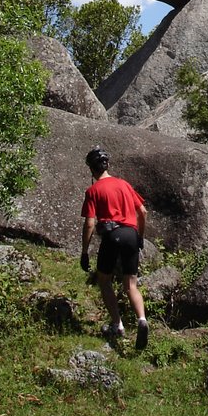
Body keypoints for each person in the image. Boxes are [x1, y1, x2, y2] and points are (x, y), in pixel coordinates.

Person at [80, 146, 149, 349]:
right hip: (131, 234)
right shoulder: (124, 184)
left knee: (104, 280)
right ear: (107, 165)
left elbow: (90, 223)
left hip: (112, 235)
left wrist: (84, 251)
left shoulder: (93, 191)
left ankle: (117, 324)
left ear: (91, 169)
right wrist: (140, 237)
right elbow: (143, 212)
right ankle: (142, 320)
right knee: (131, 285)